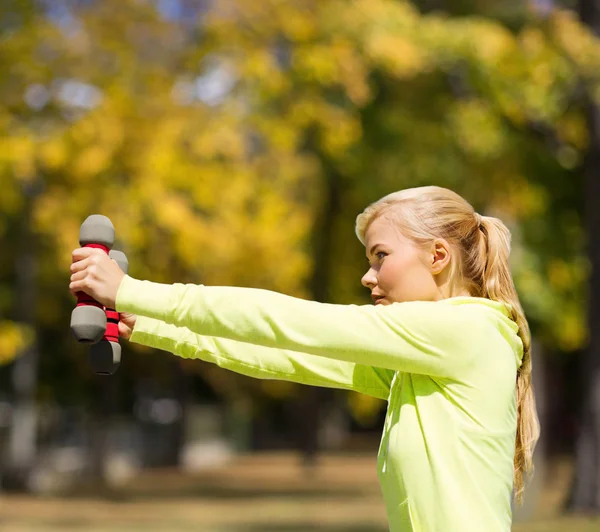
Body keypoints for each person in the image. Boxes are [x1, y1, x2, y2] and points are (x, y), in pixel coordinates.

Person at [69, 185, 540, 531]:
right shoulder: (426, 356)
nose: (367, 277)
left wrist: (131, 289)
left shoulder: (467, 330)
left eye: (380, 256)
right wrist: (150, 325)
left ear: (438, 255)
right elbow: (288, 353)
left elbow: (288, 320)